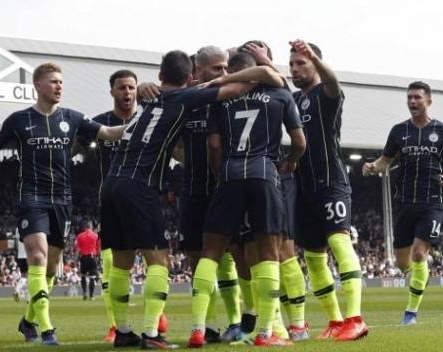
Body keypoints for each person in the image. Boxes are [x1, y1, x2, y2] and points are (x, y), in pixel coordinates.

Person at [101, 50, 284, 349]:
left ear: (161, 76)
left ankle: (123, 330)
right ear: (191, 76)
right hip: (146, 184)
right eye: (216, 68)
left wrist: (151, 85)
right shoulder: (189, 97)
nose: (221, 71)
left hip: (112, 182)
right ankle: (151, 334)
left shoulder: (149, 99)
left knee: (122, 261)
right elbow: (250, 84)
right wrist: (261, 68)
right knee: (160, 261)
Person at [0, 62, 124, 346]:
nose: (59, 86)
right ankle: (47, 329)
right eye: (53, 81)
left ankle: (28, 320)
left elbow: (107, 132)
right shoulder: (19, 120)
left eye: (61, 82)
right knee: (38, 257)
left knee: (52, 268)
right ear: (38, 85)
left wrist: (138, 126)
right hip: (31, 197)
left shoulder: (72, 118)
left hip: (62, 200)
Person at [190, 51, 305, 348]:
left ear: (236, 72)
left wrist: (220, 175)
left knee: (212, 251)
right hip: (264, 174)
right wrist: (290, 160)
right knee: (269, 253)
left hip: (229, 173)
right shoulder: (280, 94)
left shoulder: (222, 99)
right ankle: (266, 333)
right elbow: (300, 142)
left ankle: (198, 329)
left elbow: (214, 146)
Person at [362, 81, 443, 325]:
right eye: (409, 98)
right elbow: (385, 161)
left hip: (432, 202)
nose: (412, 102)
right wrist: (373, 166)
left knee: (419, 254)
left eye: (417, 97)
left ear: (428, 101)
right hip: (404, 202)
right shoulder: (398, 131)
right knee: (402, 262)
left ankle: (410, 313)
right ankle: (420, 276)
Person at [288, 39, 368, 341]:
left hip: (331, 183)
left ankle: (355, 319)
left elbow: (333, 81)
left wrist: (317, 60)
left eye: (302, 63)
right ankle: (335, 321)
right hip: (303, 187)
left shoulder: (327, 93)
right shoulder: (293, 99)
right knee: (313, 257)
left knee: (339, 241)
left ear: (316, 64)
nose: (295, 69)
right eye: (292, 64)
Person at [176, 46, 242, 344]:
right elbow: (172, 145)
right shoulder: (184, 102)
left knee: (229, 258)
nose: (224, 74)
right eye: (217, 69)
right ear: (197, 71)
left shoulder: (228, 99)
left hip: (224, 190)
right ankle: (209, 325)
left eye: (226, 68)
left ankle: (237, 321)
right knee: (195, 261)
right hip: (192, 192)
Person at [88, 69, 140, 342]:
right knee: (112, 264)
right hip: (111, 203)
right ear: (112, 91)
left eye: (131, 87)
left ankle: (158, 315)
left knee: (158, 261)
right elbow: (72, 147)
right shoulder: (99, 124)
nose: (127, 93)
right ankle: (115, 324)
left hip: (145, 199)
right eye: (122, 88)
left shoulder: (147, 120)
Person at [75, 221, 99, 301]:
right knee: (92, 277)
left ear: (85, 227)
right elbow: (98, 248)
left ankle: (84, 293)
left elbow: (78, 250)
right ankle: (91, 296)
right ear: (91, 227)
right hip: (92, 257)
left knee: (83, 276)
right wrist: (100, 258)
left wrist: (76, 259)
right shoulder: (95, 236)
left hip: (84, 258)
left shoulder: (80, 236)